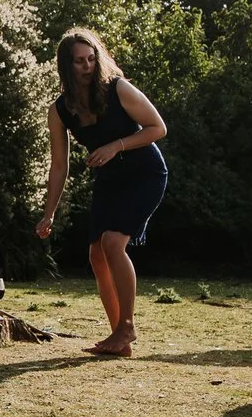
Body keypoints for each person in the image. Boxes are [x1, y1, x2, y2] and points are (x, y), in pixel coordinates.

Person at [33, 28, 166, 356]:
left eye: (91, 58)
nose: (87, 66)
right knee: (96, 255)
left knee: (112, 244)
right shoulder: (60, 110)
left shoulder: (118, 88)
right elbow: (59, 166)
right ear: (66, 66)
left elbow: (158, 128)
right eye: (79, 61)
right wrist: (49, 212)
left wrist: (115, 146)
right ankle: (117, 338)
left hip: (144, 174)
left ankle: (127, 327)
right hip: (109, 181)